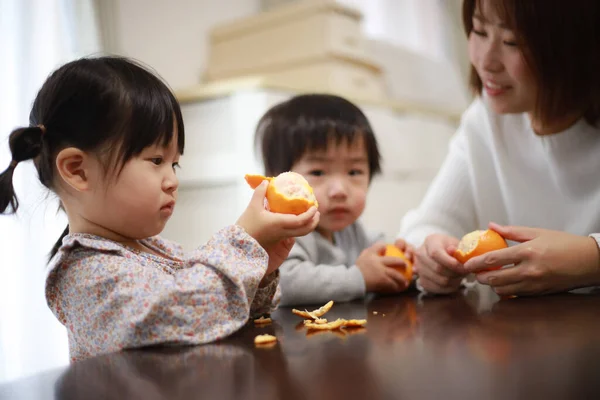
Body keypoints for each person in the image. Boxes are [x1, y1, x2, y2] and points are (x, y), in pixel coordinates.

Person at [0, 56, 319, 362]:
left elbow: (219, 315)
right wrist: (242, 243)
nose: (172, 181)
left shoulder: (161, 250)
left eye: (174, 164)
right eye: (156, 161)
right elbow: (179, 316)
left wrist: (260, 267)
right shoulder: (83, 274)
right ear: (78, 171)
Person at [399, 0, 600, 296]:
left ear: (575, 47)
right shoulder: (485, 121)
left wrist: (590, 258)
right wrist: (431, 253)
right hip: (511, 336)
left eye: (512, 41)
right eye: (479, 31)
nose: (486, 61)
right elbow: (425, 225)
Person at [255, 94, 412, 306]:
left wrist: (403, 264)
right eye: (318, 172)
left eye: (354, 172)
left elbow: (378, 253)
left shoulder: (352, 230)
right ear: (279, 179)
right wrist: (360, 277)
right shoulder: (284, 232)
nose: (339, 190)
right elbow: (287, 284)